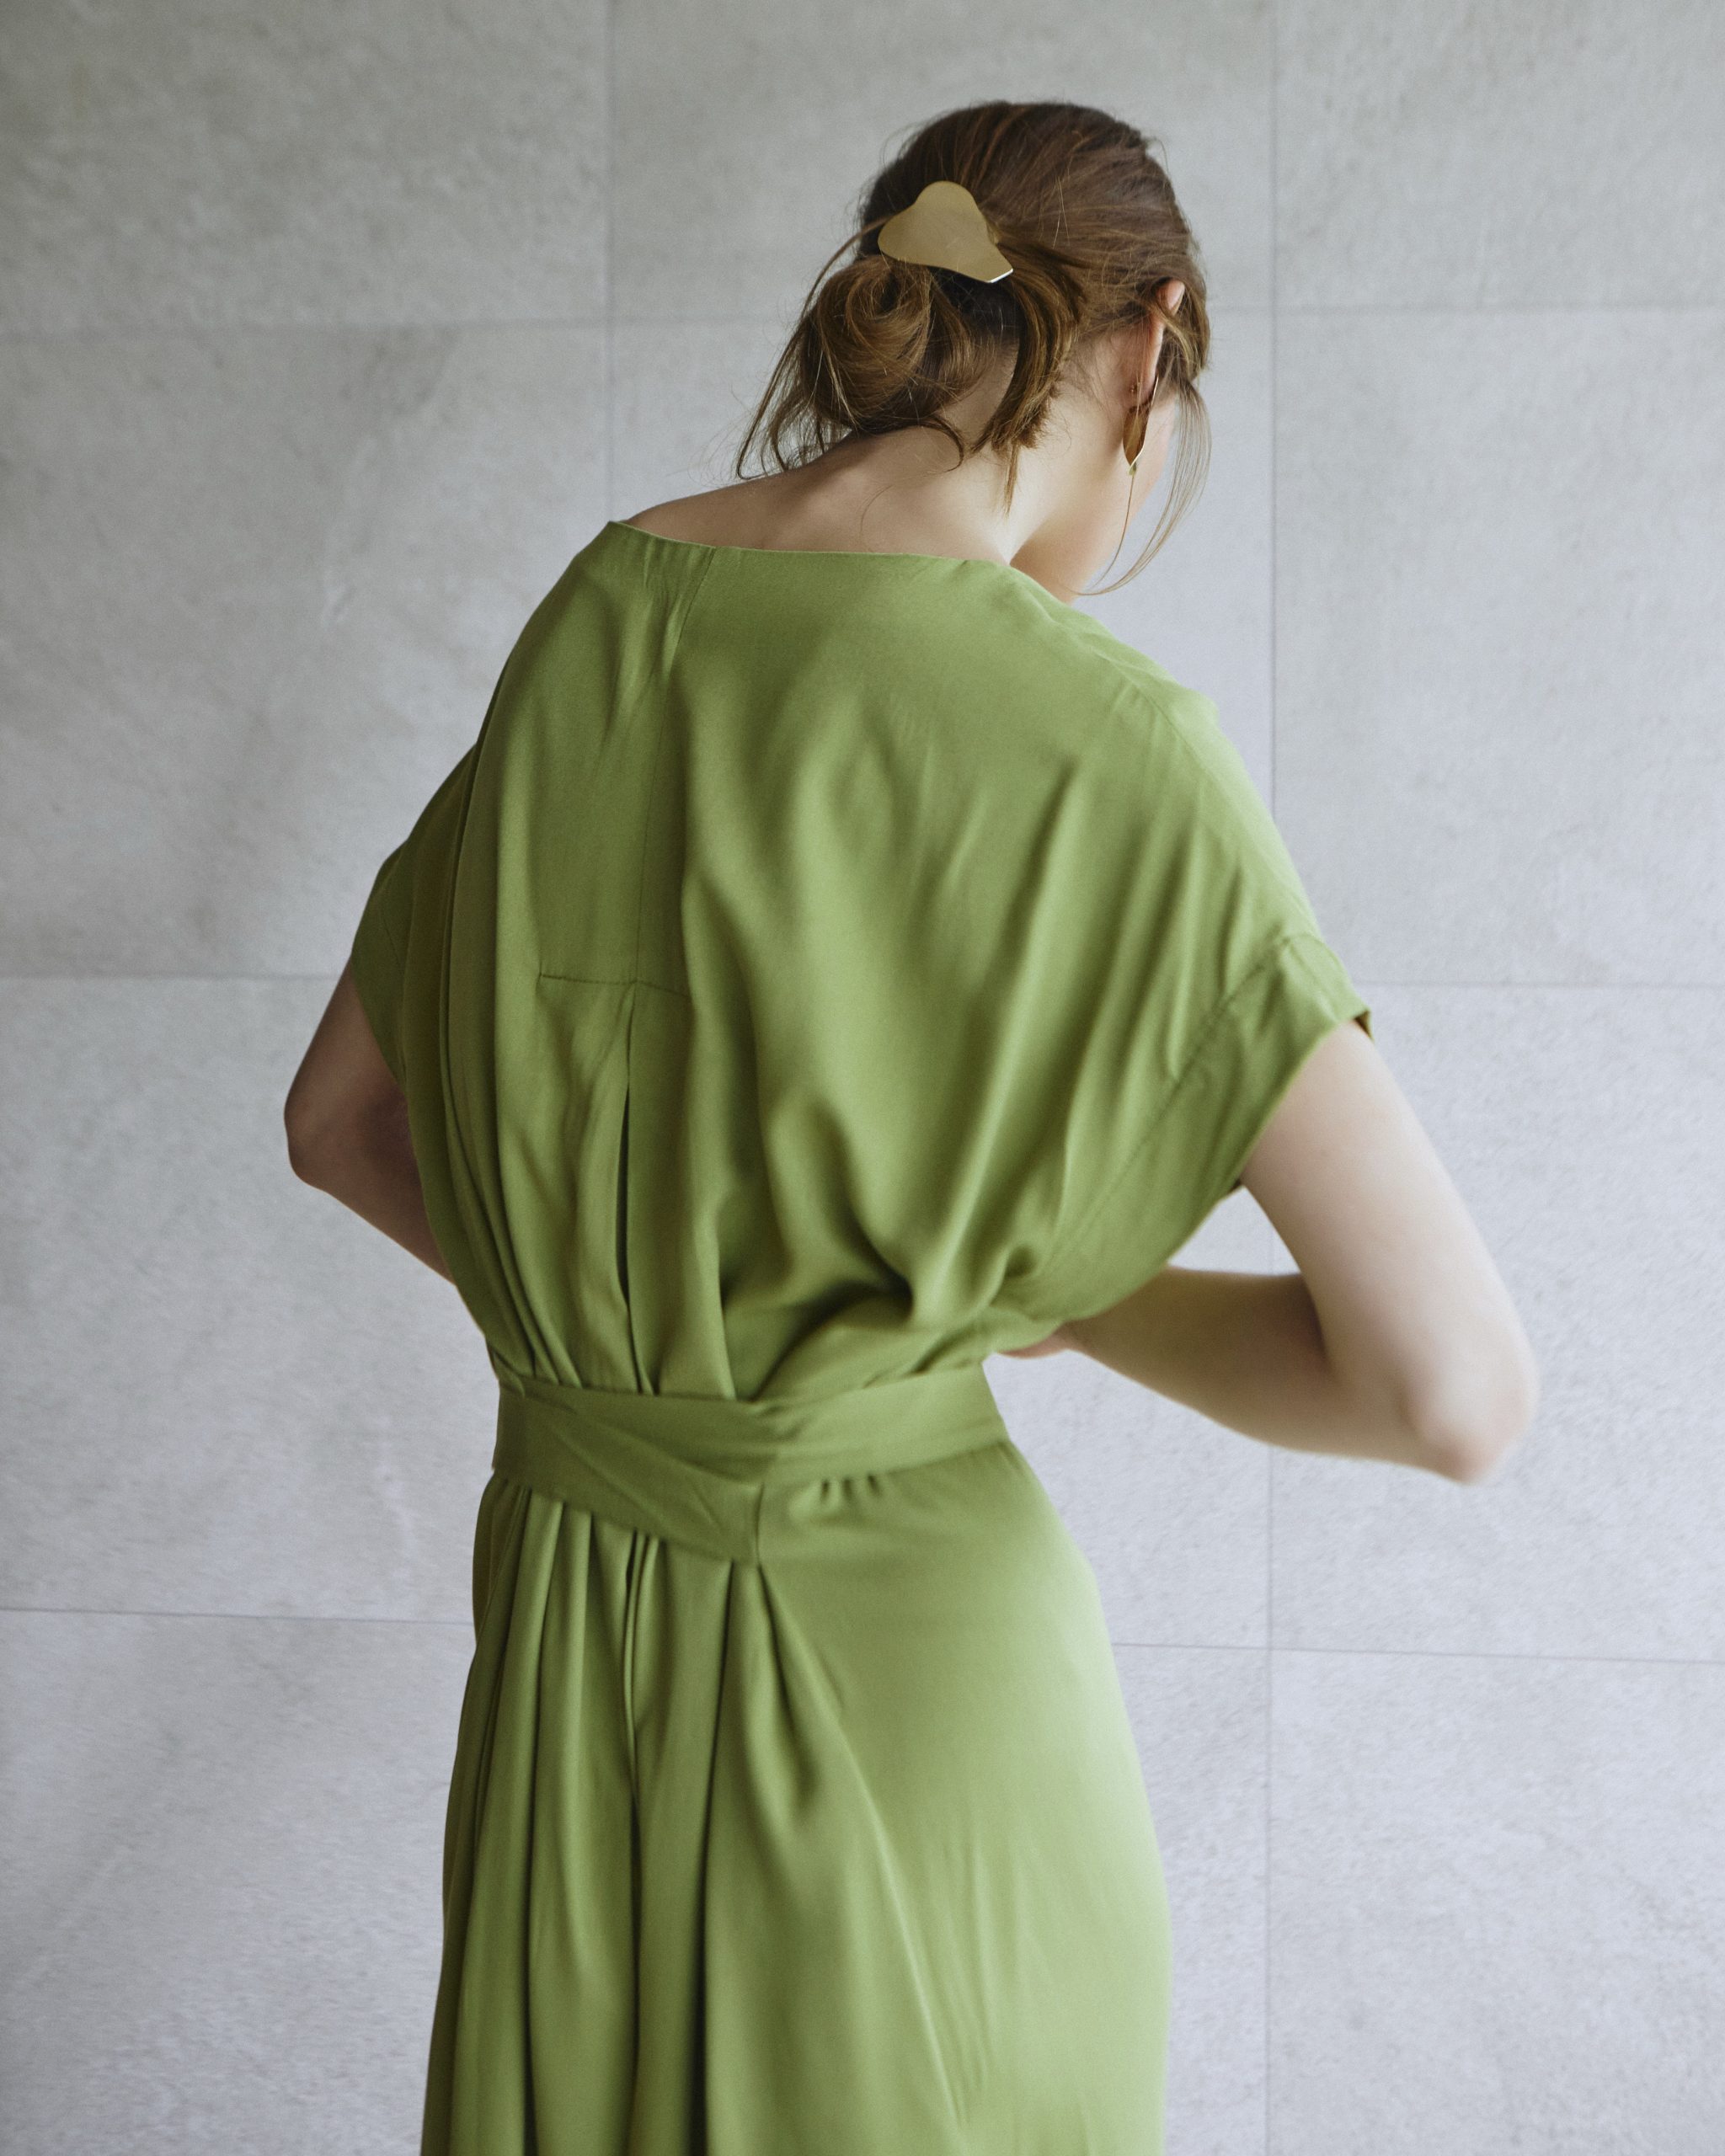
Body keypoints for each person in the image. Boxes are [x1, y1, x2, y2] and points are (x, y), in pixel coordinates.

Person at [285, 99, 1538, 2156]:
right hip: (916, 1710)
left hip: (567, 1667)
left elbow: (339, 1120)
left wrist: (633, 1370)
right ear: (1147, 342)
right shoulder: (1107, 741)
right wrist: (1074, 1303)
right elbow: (1454, 1391)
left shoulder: (594, 616)